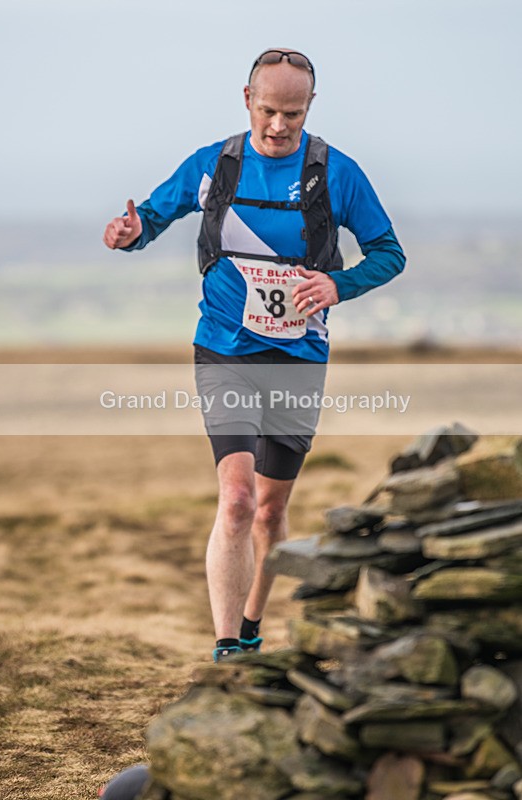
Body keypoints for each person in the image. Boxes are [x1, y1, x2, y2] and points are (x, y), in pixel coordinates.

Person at [103, 48, 406, 662]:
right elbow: (152, 219)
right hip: (224, 347)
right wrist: (130, 235)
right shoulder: (214, 164)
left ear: (309, 108)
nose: (277, 125)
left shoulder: (336, 173)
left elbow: (388, 252)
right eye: (268, 110)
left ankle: (251, 623)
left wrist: (338, 285)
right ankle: (226, 649)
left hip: (299, 355)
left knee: (270, 510)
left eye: (291, 114)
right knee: (238, 498)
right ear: (247, 100)